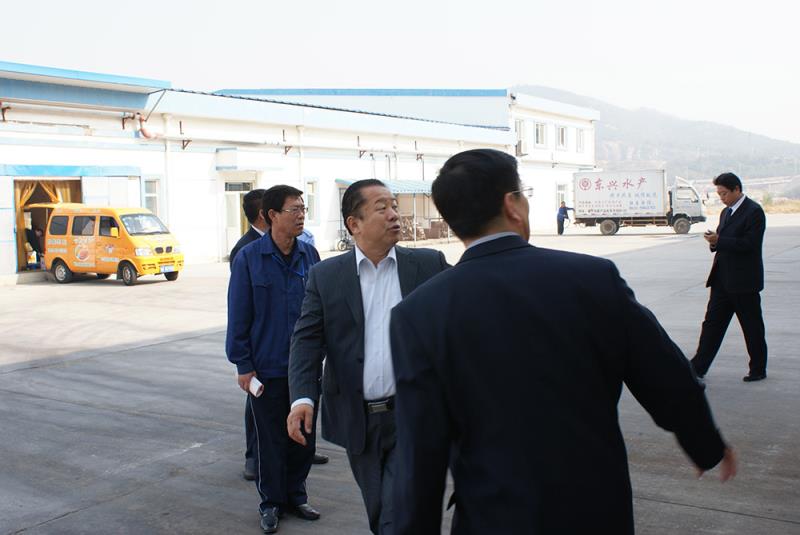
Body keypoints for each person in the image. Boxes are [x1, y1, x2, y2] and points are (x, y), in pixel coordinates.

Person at [389, 149, 736, 534]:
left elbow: (420, 451)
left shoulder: (418, 313)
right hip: (594, 510)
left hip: (494, 516)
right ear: (512, 205)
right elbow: (666, 375)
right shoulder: (592, 278)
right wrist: (705, 445)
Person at [287, 179, 449, 534]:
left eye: (394, 206)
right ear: (354, 223)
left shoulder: (428, 265)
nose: (394, 215)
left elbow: (461, 319)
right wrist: (302, 398)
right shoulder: (326, 276)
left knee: (399, 512)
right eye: (382, 208)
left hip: (413, 415)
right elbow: (307, 341)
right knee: (380, 513)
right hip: (357, 419)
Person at [226, 185, 322, 533]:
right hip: (266, 368)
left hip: (304, 369)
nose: (301, 216)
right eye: (294, 209)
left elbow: (322, 310)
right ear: (271, 215)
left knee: (304, 438)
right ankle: (271, 503)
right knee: (270, 441)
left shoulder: (310, 256)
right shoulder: (249, 258)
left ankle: (296, 495)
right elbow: (239, 315)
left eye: (303, 209)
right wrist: (243, 364)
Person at [691, 172, 768, 382]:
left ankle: (758, 369)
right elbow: (722, 240)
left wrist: (720, 240)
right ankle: (698, 367)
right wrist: (714, 242)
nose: (722, 198)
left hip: (744, 282)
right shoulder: (726, 212)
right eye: (719, 194)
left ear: (736, 189)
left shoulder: (754, 212)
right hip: (722, 281)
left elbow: (749, 244)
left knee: (751, 327)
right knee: (711, 326)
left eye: (724, 193)